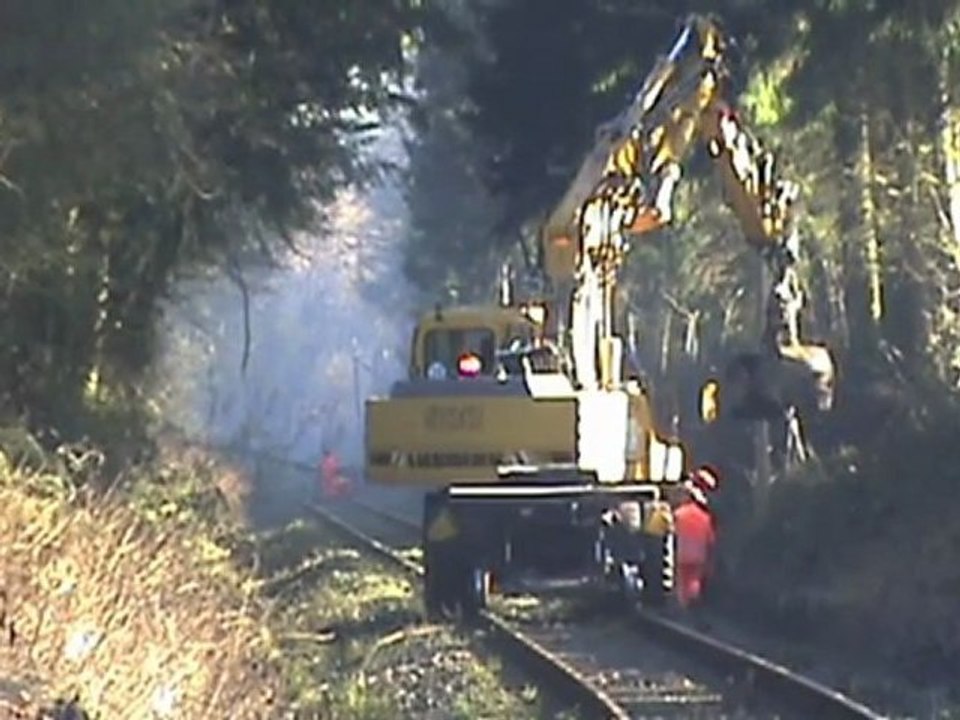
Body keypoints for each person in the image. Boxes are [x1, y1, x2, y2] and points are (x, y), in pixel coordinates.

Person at [673, 466, 718, 608]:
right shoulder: (706, 517)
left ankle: (683, 609)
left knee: (683, 583)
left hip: (683, 553)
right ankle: (692, 607)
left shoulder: (680, 514)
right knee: (693, 583)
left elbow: (673, 533)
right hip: (699, 555)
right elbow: (711, 541)